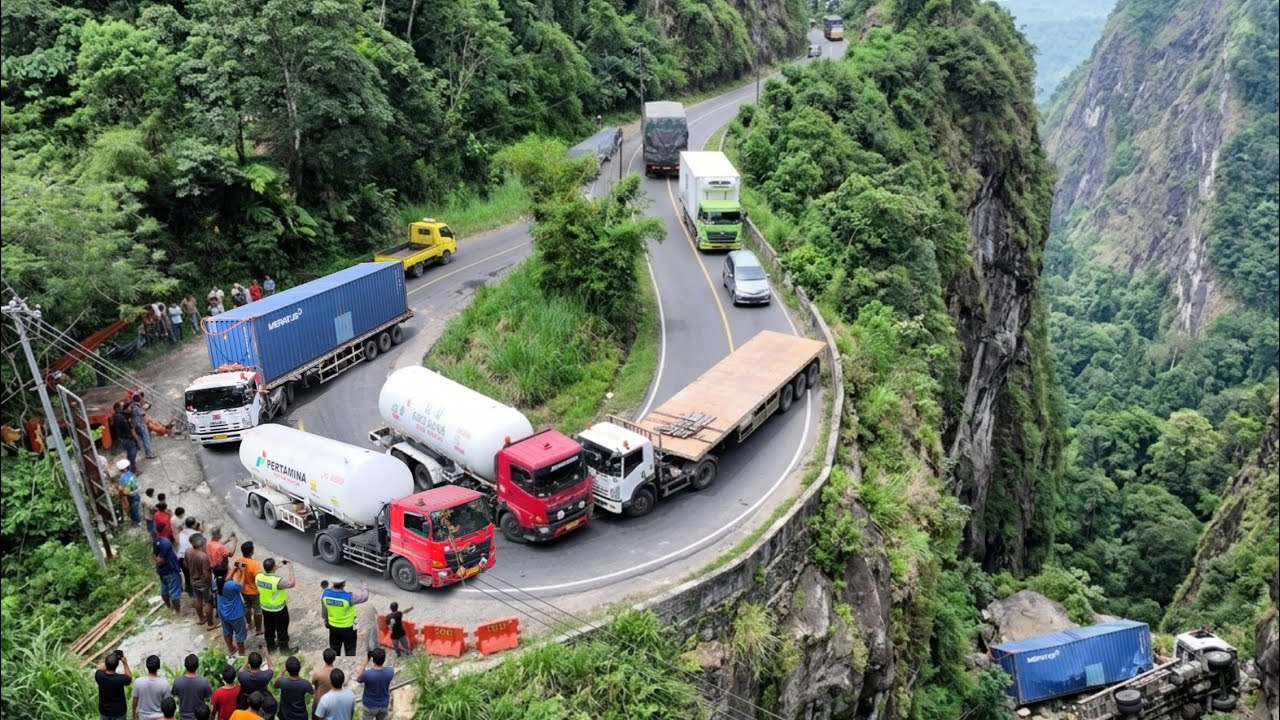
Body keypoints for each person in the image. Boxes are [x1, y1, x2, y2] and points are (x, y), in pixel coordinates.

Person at [256, 558, 296, 654]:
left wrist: (277, 566)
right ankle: (284, 650)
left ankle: (271, 647)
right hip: (278, 609)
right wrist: (291, 569)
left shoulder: (258, 576)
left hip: (265, 608)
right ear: (273, 567)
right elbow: (292, 583)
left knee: (269, 628)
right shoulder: (278, 581)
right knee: (281, 629)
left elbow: (268, 574)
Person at [321, 579, 367, 656]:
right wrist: (364, 584)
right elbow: (364, 597)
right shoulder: (349, 597)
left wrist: (326, 620)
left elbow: (324, 610)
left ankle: (334, 664)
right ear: (344, 584)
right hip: (349, 627)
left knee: (334, 648)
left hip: (333, 626)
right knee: (350, 648)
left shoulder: (325, 594)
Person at [216, 564, 248, 656]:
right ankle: (242, 653)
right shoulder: (230, 584)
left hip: (223, 613)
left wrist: (234, 570)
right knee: (239, 633)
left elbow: (227, 579)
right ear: (226, 573)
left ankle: (231, 649)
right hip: (235, 614)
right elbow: (241, 586)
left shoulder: (217, 582)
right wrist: (243, 572)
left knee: (227, 632)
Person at [237, 651, 278, 719]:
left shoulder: (243, 676)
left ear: (249, 663)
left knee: (240, 704)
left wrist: (247, 661)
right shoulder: (265, 675)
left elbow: (240, 671)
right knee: (273, 704)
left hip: (247, 697)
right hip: (263, 696)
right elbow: (271, 668)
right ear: (261, 662)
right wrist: (267, 654)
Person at [187, 534, 216, 629]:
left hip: (193, 581)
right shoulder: (203, 556)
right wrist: (210, 583)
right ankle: (210, 624)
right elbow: (206, 573)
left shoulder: (188, 551)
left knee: (198, 599)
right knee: (208, 601)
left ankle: (201, 619)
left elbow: (185, 564)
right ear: (201, 542)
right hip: (203, 583)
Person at [171, 654, 212, 720]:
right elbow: (209, 697)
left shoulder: (177, 681)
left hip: (183, 716)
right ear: (197, 666)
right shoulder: (204, 681)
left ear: (185, 666)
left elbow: (174, 694)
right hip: (200, 716)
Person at [234, 542, 263, 636]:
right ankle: (258, 630)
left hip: (242, 589)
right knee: (257, 610)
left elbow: (235, 566)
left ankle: (250, 624)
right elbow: (258, 579)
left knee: (247, 606)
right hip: (253, 591)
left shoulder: (238, 560)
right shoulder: (255, 565)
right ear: (251, 552)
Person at [356, 648, 394, 720]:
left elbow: (358, 678)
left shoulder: (368, 674)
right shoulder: (390, 671)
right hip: (384, 704)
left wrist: (367, 659)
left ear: (373, 660)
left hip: (370, 706)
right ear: (384, 659)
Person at [96, 649, 134, 720]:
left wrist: (111, 657)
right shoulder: (120, 679)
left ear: (106, 663)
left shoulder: (98, 675)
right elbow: (129, 678)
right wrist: (125, 663)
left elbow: (101, 668)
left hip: (104, 711)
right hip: (119, 712)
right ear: (117, 665)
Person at [132, 655, 171, 720]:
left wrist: (133, 715)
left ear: (146, 666)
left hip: (143, 717)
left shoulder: (138, 682)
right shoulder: (164, 684)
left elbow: (134, 701)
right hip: (160, 717)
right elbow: (168, 705)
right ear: (158, 667)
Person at [153, 536, 183, 615]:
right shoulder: (165, 548)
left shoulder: (157, 545)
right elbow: (160, 561)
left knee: (164, 591)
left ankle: (170, 607)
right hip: (170, 572)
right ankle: (178, 611)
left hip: (162, 572)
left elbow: (156, 558)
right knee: (174, 593)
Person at [110, 402, 140, 474]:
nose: (123, 407)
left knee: (130, 454)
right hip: (126, 438)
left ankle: (131, 468)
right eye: (121, 406)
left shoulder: (117, 416)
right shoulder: (120, 418)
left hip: (123, 438)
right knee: (132, 453)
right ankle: (133, 470)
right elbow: (129, 428)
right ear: (117, 409)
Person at [309, 648, 336, 717]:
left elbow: (315, 686)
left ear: (323, 658)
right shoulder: (337, 673)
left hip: (320, 703)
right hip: (333, 703)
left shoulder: (318, 674)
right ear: (334, 659)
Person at [177, 516, 199, 596]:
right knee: (194, 575)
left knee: (187, 574)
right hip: (189, 559)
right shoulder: (196, 534)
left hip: (181, 558)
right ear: (193, 525)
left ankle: (188, 588)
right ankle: (193, 592)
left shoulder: (182, 533)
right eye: (195, 523)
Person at [131, 393, 157, 460]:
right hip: (140, 424)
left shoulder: (133, 406)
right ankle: (149, 453)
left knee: (144, 438)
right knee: (146, 438)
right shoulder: (136, 406)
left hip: (137, 425)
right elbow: (143, 413)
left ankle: (147, 451)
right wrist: (147, 404)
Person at [118, 459, 142, 525]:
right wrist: (137, 490)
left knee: (134, 508)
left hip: (131, 495)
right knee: (135, 507)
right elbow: (134, 485)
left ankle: (136, 520)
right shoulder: (130, 474)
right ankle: (137, 520)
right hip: (135, 494)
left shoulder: (122, 478)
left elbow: (127, 491)